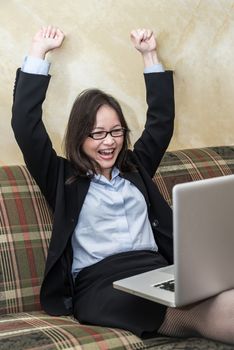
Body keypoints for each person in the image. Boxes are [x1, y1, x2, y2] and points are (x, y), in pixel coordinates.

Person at [11, 26, 234, 344]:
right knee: (205, 309)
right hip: (102, 284)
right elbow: (25, 125)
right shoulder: (62, 178)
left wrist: (149, 55)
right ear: (79, 136)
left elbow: (161, 121)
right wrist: (38, 52)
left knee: (223, 292)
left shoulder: (135, 167)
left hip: (158, 271)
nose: (109, 142)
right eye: (97, 133)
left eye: (116, 132)